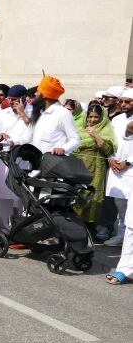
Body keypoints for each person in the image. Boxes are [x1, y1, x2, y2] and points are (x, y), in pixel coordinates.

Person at [0, 84, 32, 236]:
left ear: (24, 99)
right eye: (10, 99)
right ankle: (5, 230)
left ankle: (22, 230)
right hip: (4, 158)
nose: (11, 102)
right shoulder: (3, 113)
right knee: (3, 195)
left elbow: (32, 134)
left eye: (15, 100)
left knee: (21, 196)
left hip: (22, 158)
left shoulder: (33, 114)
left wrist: (23, 115)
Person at [73, 103, 116, 230]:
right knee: (78, 196)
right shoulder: (79, 129)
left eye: (96, 117)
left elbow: (108, 150)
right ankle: (75, 228)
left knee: (93, 197)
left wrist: (96, 136)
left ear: (102, 118)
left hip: (97, 169)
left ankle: (90, 229)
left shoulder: (106, 130)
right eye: (90, 117)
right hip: (79, 168)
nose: (92, 120)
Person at [99, 88, 133, 246]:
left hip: (130, 167)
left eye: (128, 101)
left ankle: (127, 236)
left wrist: (128, 162)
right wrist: (110, 158)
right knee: (119, 202)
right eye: (122, 101)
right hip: (115, 166)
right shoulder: (117, 120)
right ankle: (121, 234)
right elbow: (111, 141)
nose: (124, 104)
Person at [30, 76, 81, 156]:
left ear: (44, 95)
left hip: (53, 164)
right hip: (37, 162)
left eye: (37, 92)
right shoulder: (41, 113)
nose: (35, 94)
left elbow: (76, 140)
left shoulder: (63, 114)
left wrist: (63, 149)